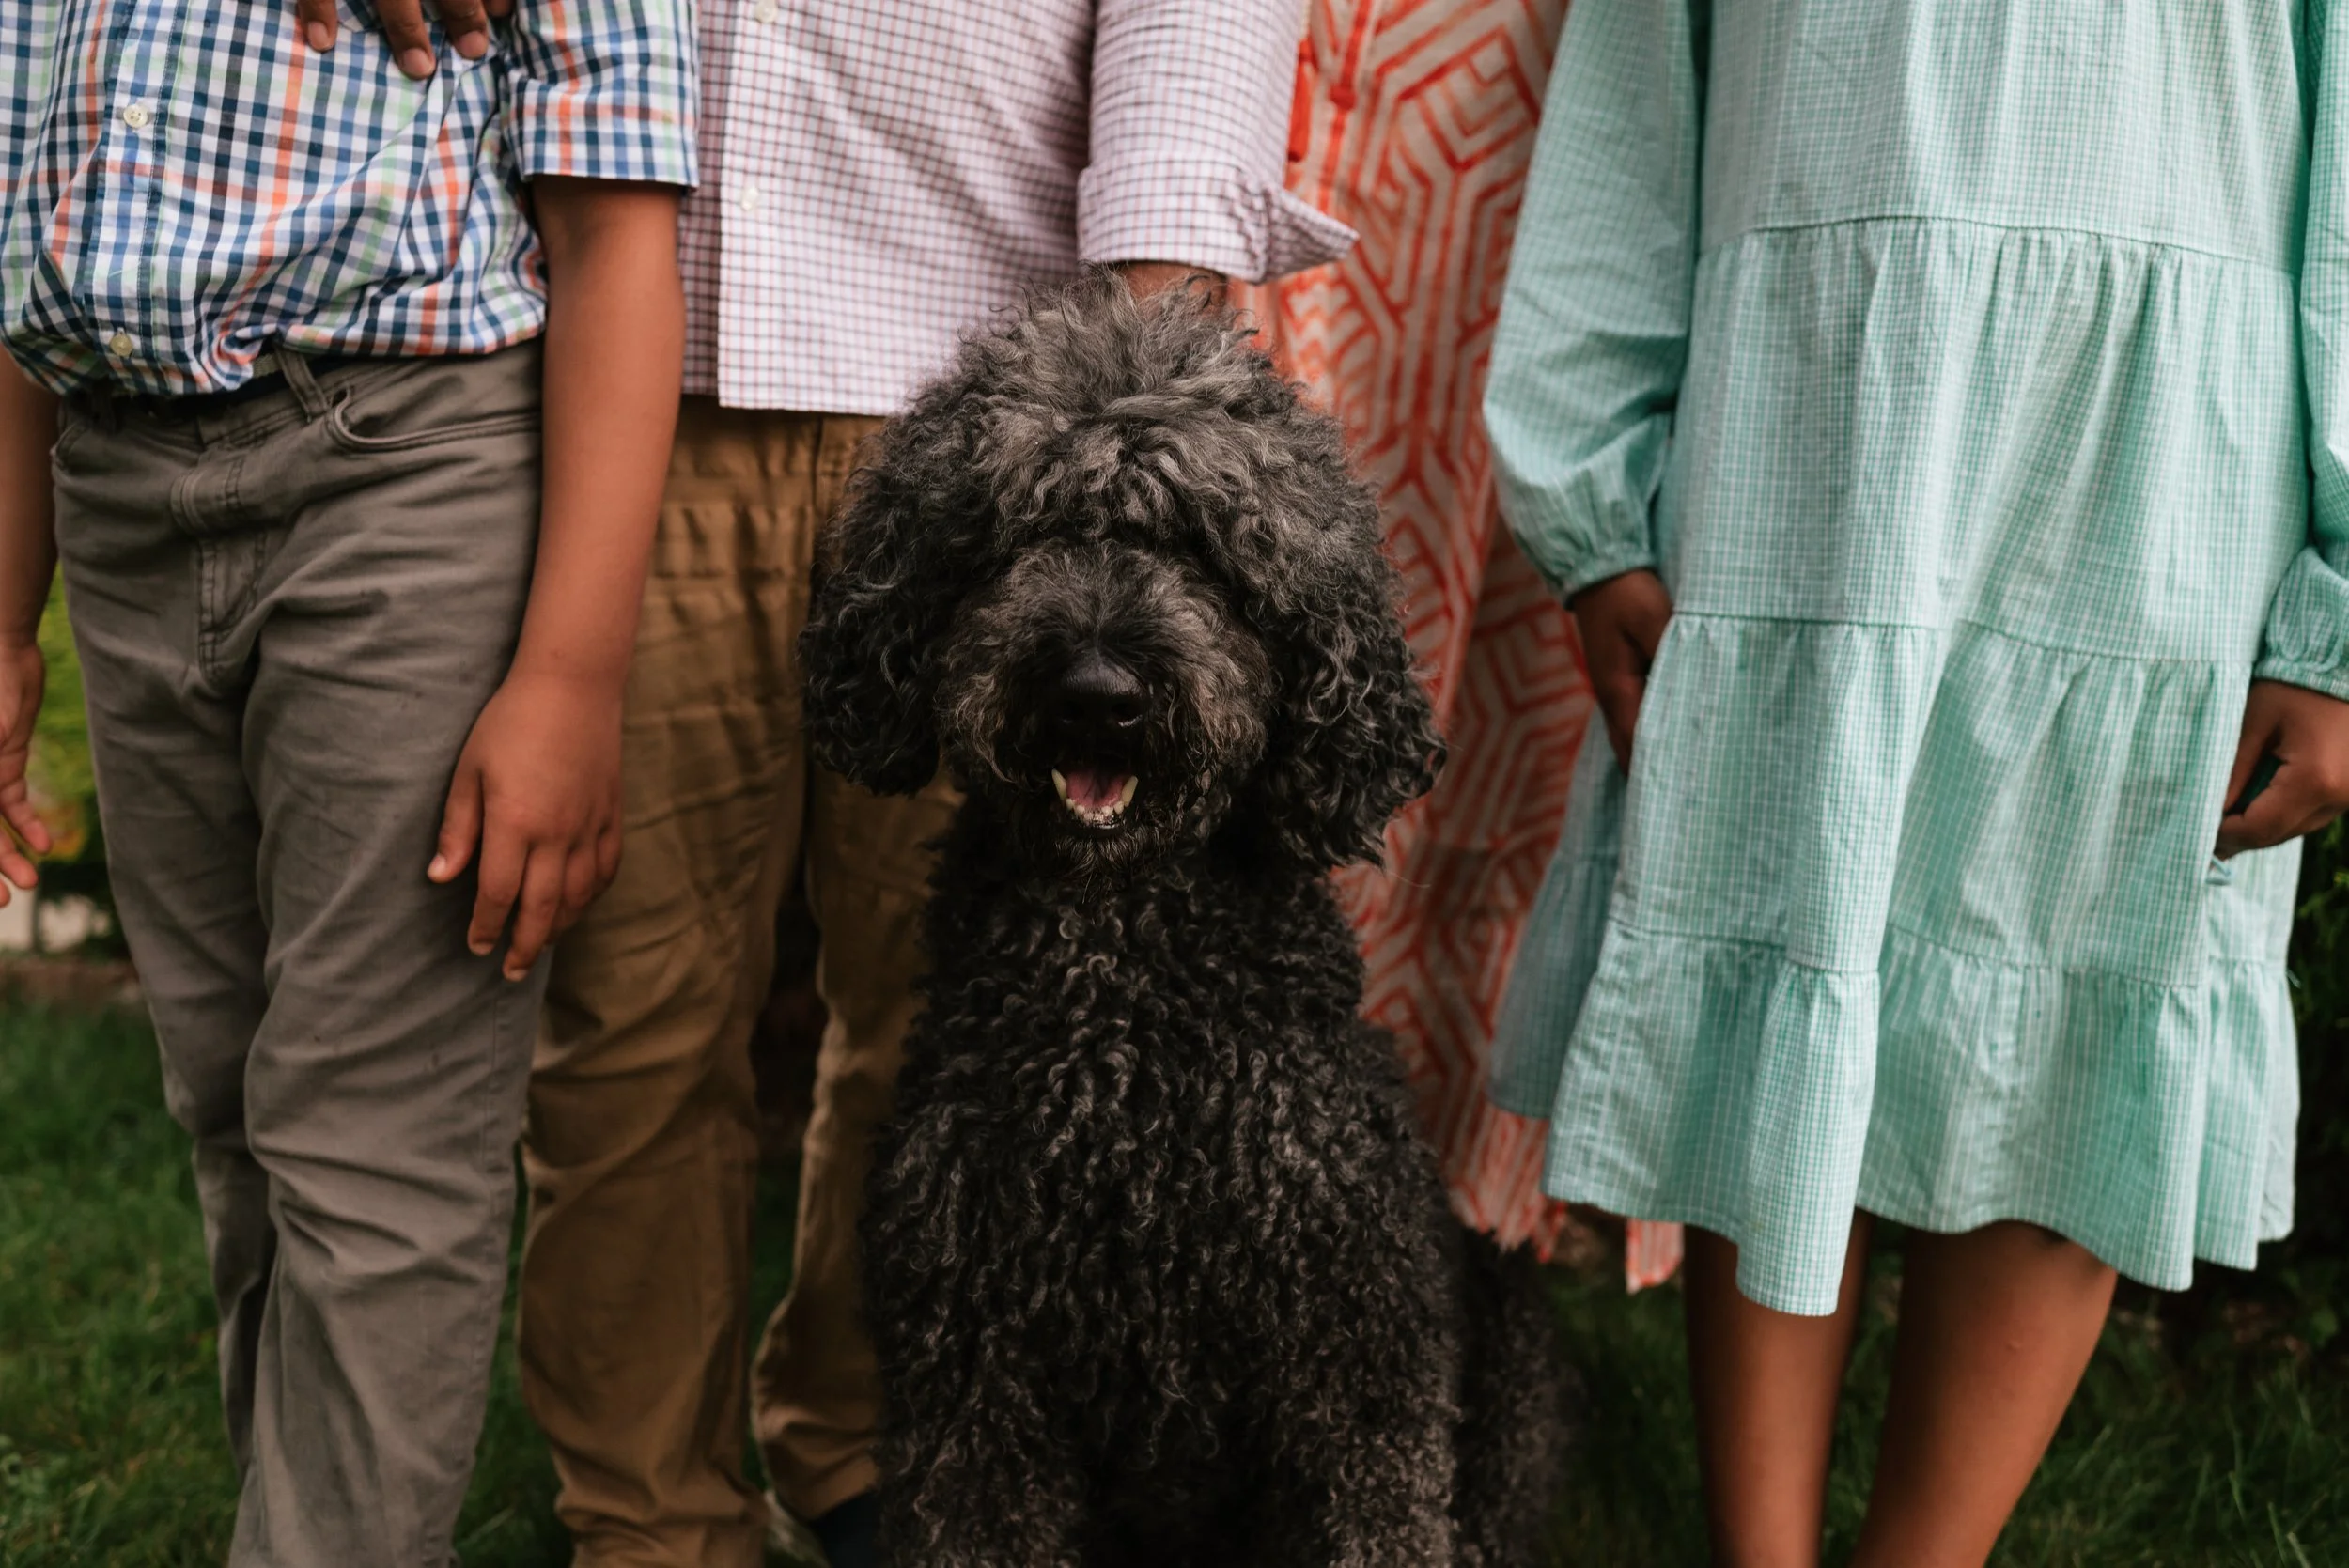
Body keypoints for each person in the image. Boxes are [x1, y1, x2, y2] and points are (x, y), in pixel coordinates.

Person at [304, 4, 1352, 1565]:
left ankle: (866, 1452)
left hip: (981, 427)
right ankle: (651, 1519)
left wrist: (1133, 403)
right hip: (627, 397)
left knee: (944, 1012)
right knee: (625, 1013)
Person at [1486, 3, 2349, 1565]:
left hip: (2160, 445)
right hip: (1811, 399)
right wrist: (1594, 491)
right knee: (1785, 961)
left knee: (2077, 996)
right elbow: (1632, 82)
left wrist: (2342, 614)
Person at [0, 4, 693, 1564]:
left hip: (399, 468)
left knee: (373, 1136)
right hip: (117, 482)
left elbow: (614, 223)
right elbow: (14, 229)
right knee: (239, 1104)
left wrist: (570, 675)